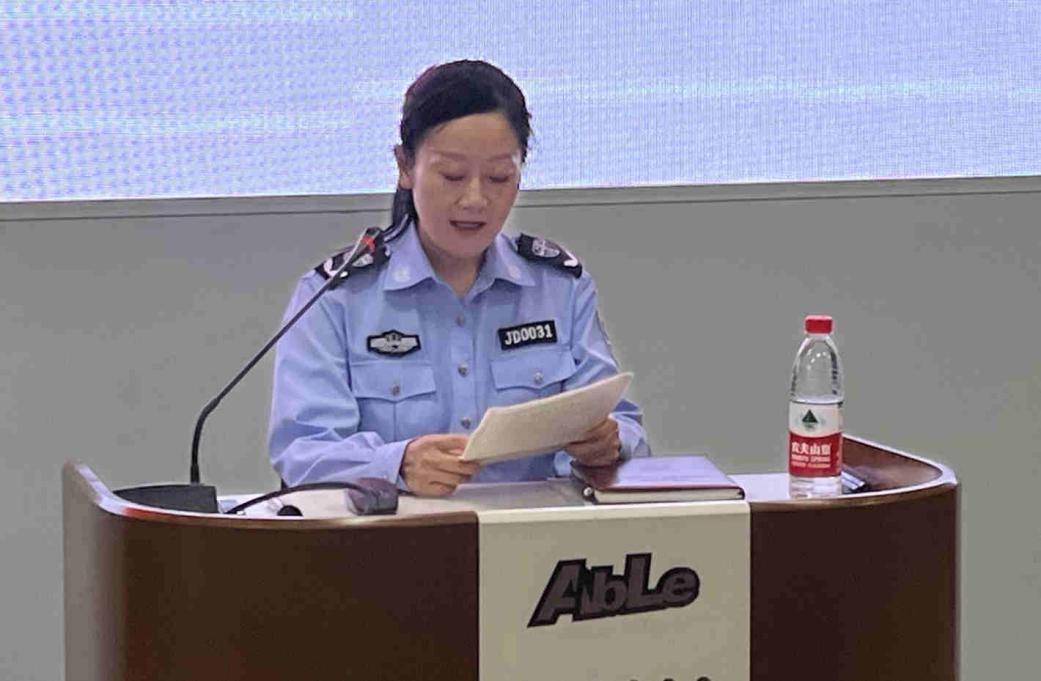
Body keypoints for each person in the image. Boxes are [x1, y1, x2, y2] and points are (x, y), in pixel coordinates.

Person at [269, 60, 650, 497]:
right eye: (452, 175)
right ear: (405, 166)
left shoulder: (560, 288)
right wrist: (395, 464)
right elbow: (304, 449)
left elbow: (623, 427)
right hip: (397, 532)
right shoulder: (337, 296)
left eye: (499, 177)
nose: (475, 199)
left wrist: (607, 444)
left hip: (540, 532)